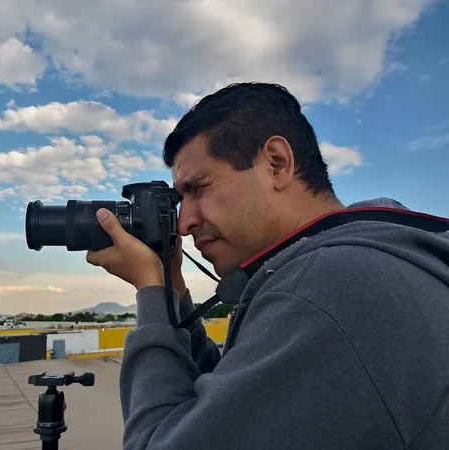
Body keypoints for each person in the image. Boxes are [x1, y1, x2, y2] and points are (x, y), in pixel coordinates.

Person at [86, 82, 449, 449]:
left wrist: (151, 292)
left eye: (198, 188)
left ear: (276, 163)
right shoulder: (379, 252)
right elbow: (230, 398)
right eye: (180, 199)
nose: (184, 223)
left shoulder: (325, 289)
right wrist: (173, 291)